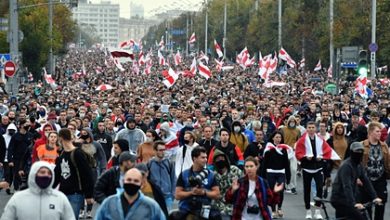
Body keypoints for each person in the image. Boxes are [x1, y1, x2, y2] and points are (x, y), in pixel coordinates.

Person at [295, 121, 340, 219]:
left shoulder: (320, 140)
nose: (311, 129)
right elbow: (298, 153)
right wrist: (305, 157)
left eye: (312, 127)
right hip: (307, 168)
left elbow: (327, 150)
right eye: (309, 127)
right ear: (306, 128)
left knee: (319, 189)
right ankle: (308, 210)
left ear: (316, 129)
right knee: (307, 190)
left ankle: (317, 210)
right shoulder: (302, 140)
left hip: (318, 167)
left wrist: (322, 157)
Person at [1, 161, 75, 220]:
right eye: (42, 172)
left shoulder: (60, 198)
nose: (46, 175)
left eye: (49, 173)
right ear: (34, 174)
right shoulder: (18, 198)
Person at [331, 142, 382, 220]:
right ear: (351, 152)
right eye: (356, 152)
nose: (359, 154)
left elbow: (366, 181)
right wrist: (353, 203)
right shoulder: (346, 166)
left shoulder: (358, 165)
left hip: (349, 198)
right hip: (339, 198)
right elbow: (347, 186)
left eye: (361, 152)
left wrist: (375, 197)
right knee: (360, 217)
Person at [53, 128, 94, 220]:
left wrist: (89, 195)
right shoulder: (63, 154)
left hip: (76, 194)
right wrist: (49, 189)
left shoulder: (78, 153)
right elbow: (57, 174)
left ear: (60, 139)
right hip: (63, 193)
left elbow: (87, 175)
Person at [95, 168, 166, 220]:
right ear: (123, 181)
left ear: (141, 185)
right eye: (129, 180)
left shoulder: (151, 206)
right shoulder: (109, 203)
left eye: (136, 181)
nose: (132, 183)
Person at [171, 146, 221, 220]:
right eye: (202, 158)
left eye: (206, 157)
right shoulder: (184, 174)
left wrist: (204, 192)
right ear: (194, 158)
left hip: (205, 210)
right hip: (187, 209)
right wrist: (191, 193)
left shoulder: (211, 174)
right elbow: (177, 195)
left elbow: (217, 194)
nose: (205, 160)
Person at [361, 122, 390, 220]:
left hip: (380, 180)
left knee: (380, 206)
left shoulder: (384, 146)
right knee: (366, 208)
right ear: (370, 133)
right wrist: (357, 177)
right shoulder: (362, 145)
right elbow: (355, 164)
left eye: (380, 131)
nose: (380, 133)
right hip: (365, 181)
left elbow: (388, 163)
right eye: (377, 131)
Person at [261, 131, 291, 218]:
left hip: (281, 172)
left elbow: (286, 164)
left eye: (279, 137)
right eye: (276, 137)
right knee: (272, 191)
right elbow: (264, 163)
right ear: (273, 138)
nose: (278, 139)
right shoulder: (268, 148)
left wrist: (288, 176)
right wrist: (263, 176)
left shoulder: (284, 149)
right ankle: (273, 210)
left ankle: (280, 208)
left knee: (280, 190)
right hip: (270, 173)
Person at [212, 149, 243, 220]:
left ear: (226, 159)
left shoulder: (235, 170)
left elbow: (244, 184)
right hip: (219, 206)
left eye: (222, 158)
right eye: (217, 159)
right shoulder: (213, 175)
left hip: (235, 204)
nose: (220, 160)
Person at [147, 140, 176, 211]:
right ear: (155, 151)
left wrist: (173, 194)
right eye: (160, 150)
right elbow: (147, 179)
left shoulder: (169, 163)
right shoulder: (149, 163)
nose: (163, 152)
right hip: (154, 196)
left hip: (167, 196)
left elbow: (173, 178)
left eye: (164, 150)